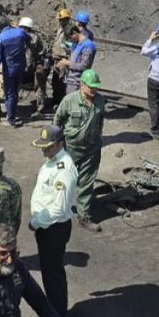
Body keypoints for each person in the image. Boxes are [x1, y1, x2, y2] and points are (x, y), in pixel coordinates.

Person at [29, 125, 78, 317]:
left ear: (60, 144)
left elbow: (58, 209)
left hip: (53, 229)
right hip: (47, 228)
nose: (43, 150)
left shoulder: (64, 169)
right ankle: (57, 313)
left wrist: (37, 222)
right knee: (50, 272)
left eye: (48, 146)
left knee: (52, 275)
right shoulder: (52, 160)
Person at [53, 69, 106, 233]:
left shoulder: (100, 101)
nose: (94, 90)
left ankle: (83, 217)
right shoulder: (69, 101)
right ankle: (56, 211)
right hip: (71, 149)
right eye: (91, 87)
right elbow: (57, 121)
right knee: (64, 180)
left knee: (86, 184)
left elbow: (100, 122)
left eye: (96, 87)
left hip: (92, 149)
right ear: (82, 85)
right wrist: (57, 145)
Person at [0, 16, 30, 127]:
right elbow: (29, 39)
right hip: (21, 67)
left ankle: (11, 118)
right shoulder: (20, 32)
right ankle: (13, 111)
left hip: (9, 69)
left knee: (10, 94)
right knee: (16, 91)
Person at [21, 17, 51, 117]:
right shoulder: (34, 37)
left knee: (39, 85)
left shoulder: (32, 38)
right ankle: (39, 108)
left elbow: (32, 56)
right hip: (30, 64)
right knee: (39, 86)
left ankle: (39, 108)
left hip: (33, 64)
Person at [58, 27, 96, 95]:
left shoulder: (88, 46)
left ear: (75, 33)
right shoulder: (77, 44)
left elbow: (84, 66)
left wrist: (68, 63)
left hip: (78, 83)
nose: (70, 40)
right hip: (72, 81)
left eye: (70, 37)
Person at [50, 9, 74, 108]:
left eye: (62, 19)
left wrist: (67, 58)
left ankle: (61, 102)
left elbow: (71, 46)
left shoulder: (70, 31)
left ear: (67, 19)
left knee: (61, 81)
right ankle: (56, 99)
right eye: (60, 19)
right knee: (55, 80)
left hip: (63, 59)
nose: (60, 21)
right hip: (57, 57)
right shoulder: (61, 29)